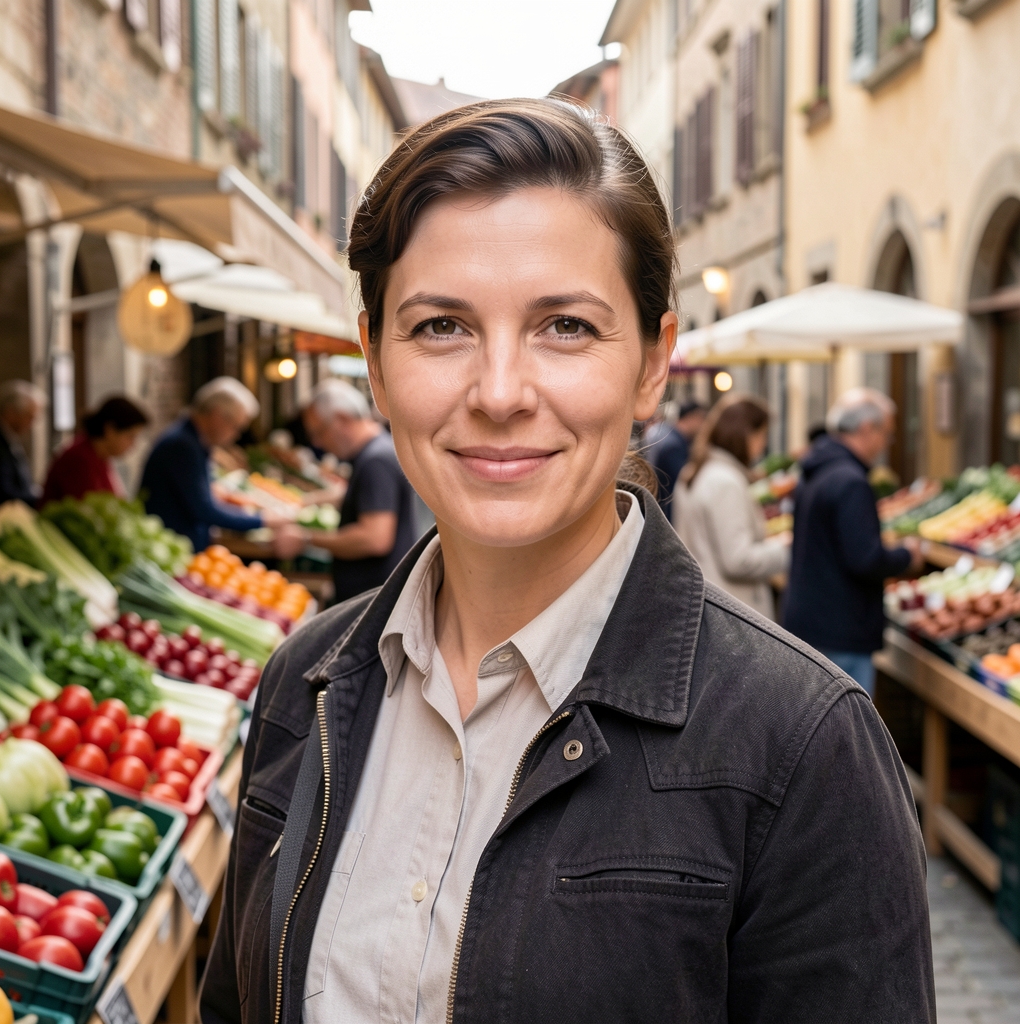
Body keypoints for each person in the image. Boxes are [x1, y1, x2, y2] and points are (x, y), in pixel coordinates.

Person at [201, 100, 933, 1024]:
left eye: (567, 328)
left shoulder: (802, 745)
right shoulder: (303, 681)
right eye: (440, 327)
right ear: (376, 364)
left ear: (653, 363)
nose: (500, 392)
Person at [784, 387, 924, 695]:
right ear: (866, 429)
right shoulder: (851, 481)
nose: (887, 443)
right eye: (887, 434)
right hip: (840, 629)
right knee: (848, 736)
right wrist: (905, 556)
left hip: (813, 619)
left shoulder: (817, 469)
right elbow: (865, 558)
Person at [141, 377, 298, 554]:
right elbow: (204, 510)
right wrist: (262, 520)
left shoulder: (194, 441)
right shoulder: (182, 445)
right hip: (174, 549)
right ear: (217, 416)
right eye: (236, 427)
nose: (236, 435)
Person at [298, 378, 416, 604]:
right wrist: (321, 499)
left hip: (373, 598)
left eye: (320, 431)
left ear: (342, 419)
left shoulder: (375, 461)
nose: (318, 443)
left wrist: (306, 538)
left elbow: (375, 538)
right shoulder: (376, 450)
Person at [673, 394, 790, 619]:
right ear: (746, 434)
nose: (763, 444)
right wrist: (785, 551)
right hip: (734, 609)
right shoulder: (724, 481)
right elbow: (738, 560)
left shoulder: (698, 471)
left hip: (714, 604)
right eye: (762, 434)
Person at [41, 396, 149, 506]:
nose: (133, 445)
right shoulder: (79, 459)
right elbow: (89, 510)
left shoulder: (99, 455)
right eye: (130, 437)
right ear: (110, 430)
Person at [646, 399, 705, 519]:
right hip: (670, 514)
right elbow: (684, 482)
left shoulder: (667, 434)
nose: (703, 425)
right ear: (693, 417)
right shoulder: (673, 446)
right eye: (702, 419)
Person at [0, 381, 45, 508]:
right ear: (11, 413)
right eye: (29, 417)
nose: (31, 424)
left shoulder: (10, 438)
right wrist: (40, 499)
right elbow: (3, 492)